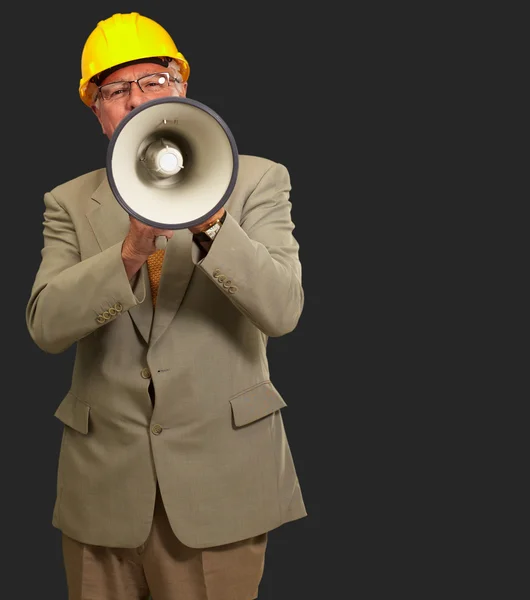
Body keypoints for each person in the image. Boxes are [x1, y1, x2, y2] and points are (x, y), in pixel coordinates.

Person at [25, 11, 307, 600]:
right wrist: (128, 252)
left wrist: (212, 222)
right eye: (116, 90)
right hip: (101, 496)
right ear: (97, 112)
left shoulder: (256, 181)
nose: (136, 100)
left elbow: (282, 310)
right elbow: (46, 326)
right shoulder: (68, 203)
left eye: (153, 81)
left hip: (219, 490)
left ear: (182, 88)